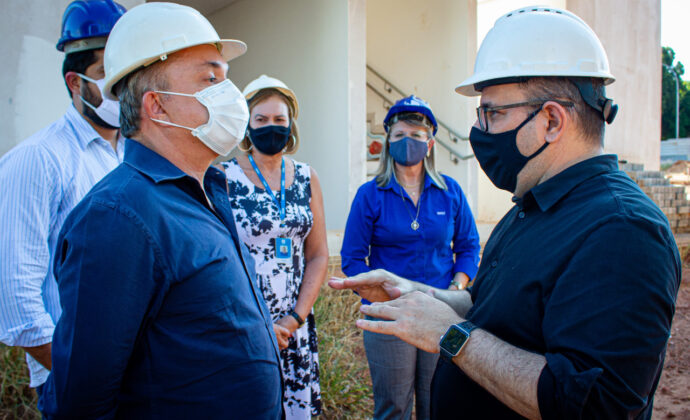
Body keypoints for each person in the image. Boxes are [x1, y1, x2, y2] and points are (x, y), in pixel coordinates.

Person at [330, 6, 681, 419]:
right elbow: (483, 310)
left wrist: (448, 334)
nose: (480, 131)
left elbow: (589, 405)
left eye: (492, 113)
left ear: (551, 119)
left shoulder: (622, 230)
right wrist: (416, 294)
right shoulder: (530, 208)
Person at [38, 3, 283, 418]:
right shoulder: (118, 216)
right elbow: (83, 399)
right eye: (210, 78)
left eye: (226, 78)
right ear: (157, 105)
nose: (230, 94)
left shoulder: (207, 190)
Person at [0, 0, 125, 398]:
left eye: (126, 73)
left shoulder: (132, 155)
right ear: (75, 82)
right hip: (75, 382)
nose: (120, 87)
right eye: (106, 73)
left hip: (135, 377)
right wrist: (82, 373)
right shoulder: (39, 159)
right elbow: (17, 298)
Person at [340, 95, 480, 420]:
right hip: (390, 313)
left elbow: (469, 247)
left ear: (430, 144)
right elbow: (351, 259)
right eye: (400, 135)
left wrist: (456, 291)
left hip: (442, 312)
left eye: (417, 136)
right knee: (394, 407)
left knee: (438, 403)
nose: (408, 142)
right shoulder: (370, 194)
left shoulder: (451, 191)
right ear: (388, 140)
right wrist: (376, 296)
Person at [220, 74, 328, 419]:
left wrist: (295, 318)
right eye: (261, 120)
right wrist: (260, 325)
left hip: (294, 326)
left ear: (291, 124)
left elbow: (318, 254)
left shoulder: (307, 176)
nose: (271, 127)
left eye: (279, 120)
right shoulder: (222, 178)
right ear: (246, 125)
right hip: (244, 327)